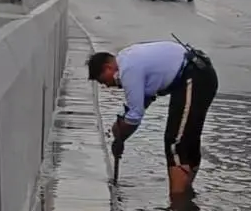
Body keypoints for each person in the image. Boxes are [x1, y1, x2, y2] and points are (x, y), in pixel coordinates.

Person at [87, 40, 218, 198]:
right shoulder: (128, 58)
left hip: (194, 76)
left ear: (108, 67)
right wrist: (120, 136)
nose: (107, 86)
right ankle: (186, 195)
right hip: (197, 74)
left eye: (104, 80)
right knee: (187, 139)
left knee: (175, 142)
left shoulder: (128, 69)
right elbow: (141, 104)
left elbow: (134, 116)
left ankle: (177, 203)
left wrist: (120, 135)